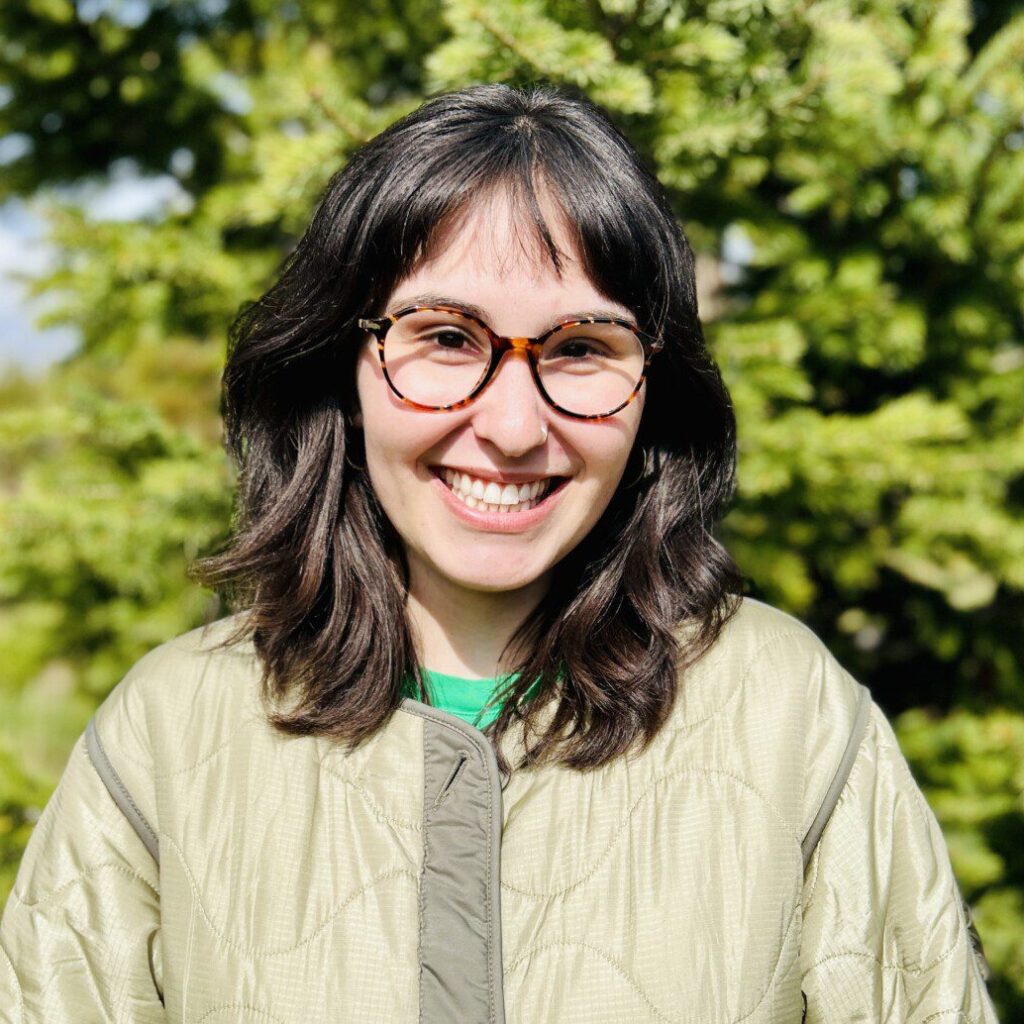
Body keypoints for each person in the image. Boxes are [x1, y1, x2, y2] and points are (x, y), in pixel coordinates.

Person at [0, 82, 999, 1024]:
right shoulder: (169, 739)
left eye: (579, 348)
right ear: (340, 363)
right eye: (444, 337)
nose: (514, 427)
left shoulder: (793, 721)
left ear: (654, 386)